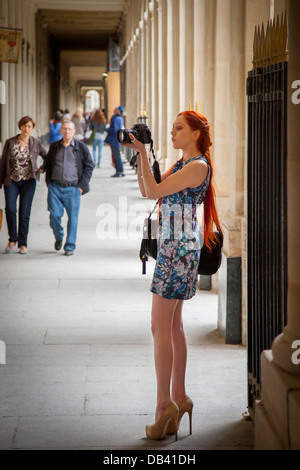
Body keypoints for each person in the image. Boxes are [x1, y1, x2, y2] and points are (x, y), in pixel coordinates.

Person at [121, 110, 222, 440]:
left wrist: (140, 153)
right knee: (173, 324)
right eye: (171, 128)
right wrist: (142, 155)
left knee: (159, 325)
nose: (172, 133)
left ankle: (164, 407)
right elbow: (148, 189)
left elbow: (153, 192)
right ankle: (179, 397)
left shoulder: (197, 166)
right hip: (176, 244)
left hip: (177, 249)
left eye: (179, 128)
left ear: (195, 134)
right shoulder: (183, 165)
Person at [44, 120, 93, 256]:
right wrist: (48, 182)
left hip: (73, 188)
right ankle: (59, 236)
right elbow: (48, 163)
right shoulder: (54, 147)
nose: (67, 132)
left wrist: (81, 186)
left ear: (74, 132)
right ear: (61, 131)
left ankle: (69, 246)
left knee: (73, 218)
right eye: (64, 129)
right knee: (54, 215)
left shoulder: (81, 147)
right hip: (55, 187)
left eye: (70, 129)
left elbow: (89, 166)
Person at [0, 116, 47, 254]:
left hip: (29, 182)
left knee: (24, 212)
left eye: (29, 126)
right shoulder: (10, 142)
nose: (26, 129)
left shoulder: (36, 143)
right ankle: (12, 240)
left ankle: (23, 243)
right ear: (20, 127)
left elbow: (47, 156)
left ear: (32, 129)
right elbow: (3, 162)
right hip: (11, 181)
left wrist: (42, 169)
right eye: (24, 126)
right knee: (10, 209)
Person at [105, 106, 125, 177]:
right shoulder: (118, 118)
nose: (114, 110)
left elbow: (114, 129)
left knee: (116, 156)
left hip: (114, 139)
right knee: (116, 155)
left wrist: (107, 129)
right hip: (115, 139)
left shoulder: (117, 118)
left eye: (116, 109)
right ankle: (119, 171)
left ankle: (120, 171)